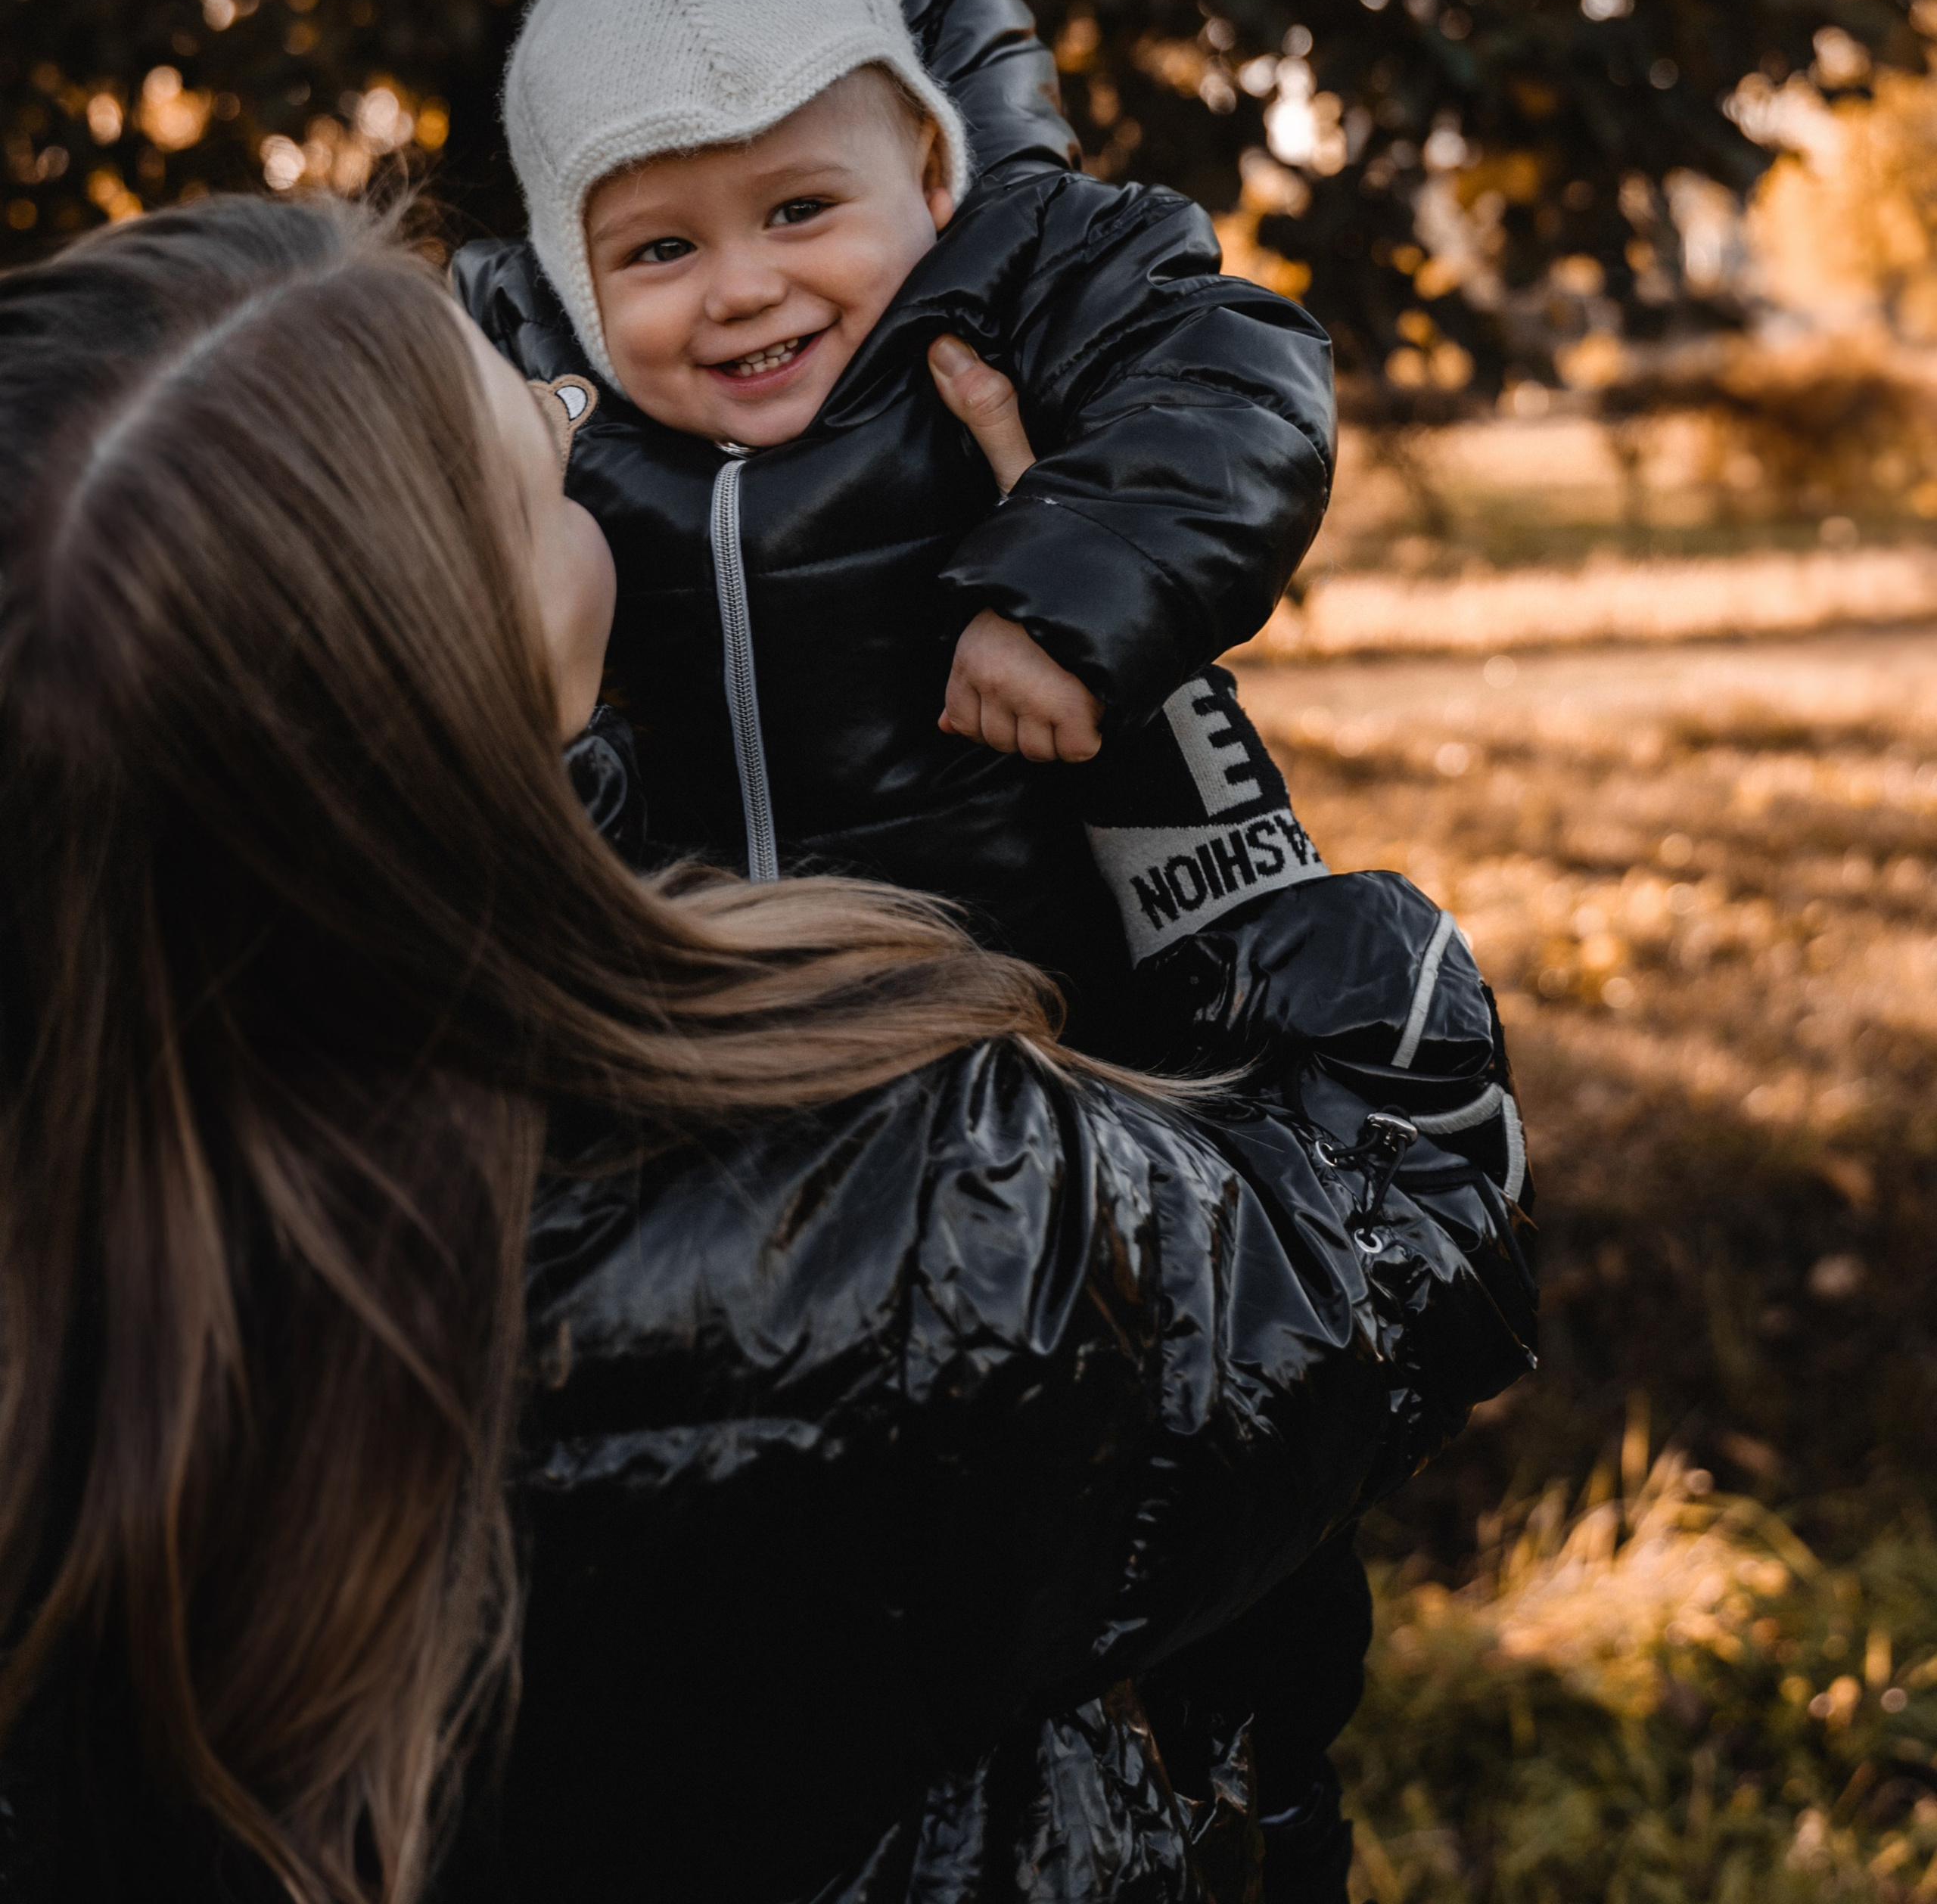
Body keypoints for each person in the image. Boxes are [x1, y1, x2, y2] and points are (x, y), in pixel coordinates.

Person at [0, 195, 1535, 1904]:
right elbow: (1393, 1221)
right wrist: (1128, 650)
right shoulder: (872, 1201)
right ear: (468, 660)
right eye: (545, 450)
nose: (594, 456)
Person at [454, 0, 1338, 1053]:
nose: (746, 289)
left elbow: (1241, 385)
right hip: (696, 1027)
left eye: (799, 211)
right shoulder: (523, 383)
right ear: (569, 268)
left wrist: (1067, 598)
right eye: (661, 249)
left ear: (929, 175)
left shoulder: (1011, 283)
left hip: (1028, 1016)